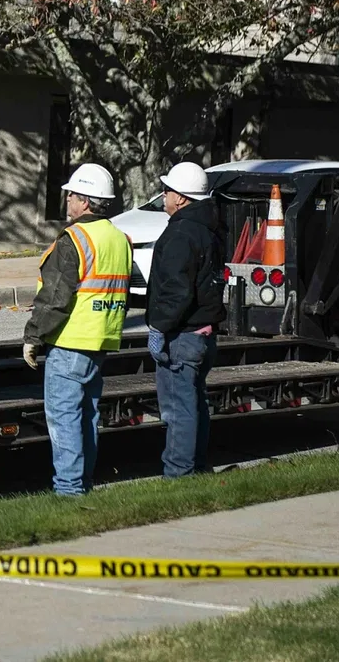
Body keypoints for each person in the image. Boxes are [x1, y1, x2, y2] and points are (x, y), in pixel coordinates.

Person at [23, 163, 132, 496]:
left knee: (64, 417)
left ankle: (69, 489)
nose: (67, 199)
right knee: (87, 415)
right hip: (101, 339)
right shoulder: (119, 237)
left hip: (70, 340)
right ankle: (82, 482)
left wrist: (32, 336)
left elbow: (56, 297)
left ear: (85, 201)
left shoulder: (74, 238)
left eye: (71, 194)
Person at [147, 161, 227, 478]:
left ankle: (179, 473)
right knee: (194, 402)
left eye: (167, 191)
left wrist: (158, 327)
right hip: (203, 333)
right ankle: (195, 465)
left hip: (183, 334)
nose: (164, 196)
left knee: (178, 408)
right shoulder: (209, 228)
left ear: (180, 197)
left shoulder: (181, 232)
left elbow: (176, 292)